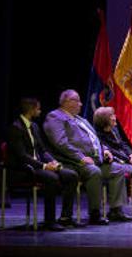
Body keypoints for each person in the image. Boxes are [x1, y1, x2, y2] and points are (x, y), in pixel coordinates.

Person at [43, 90, 132, 224]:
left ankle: (116, 210)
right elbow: (60, 143)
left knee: (118, 169)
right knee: (94, 172)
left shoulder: (81, 120)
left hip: (95, 160)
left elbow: (95, 139)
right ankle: (95, 213)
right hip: (72, 162)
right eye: (78, 101)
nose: (81, 104)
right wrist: (80, 157)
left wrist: (105, 150)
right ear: (67, 102)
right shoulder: (55, 117)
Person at [6, 98, 79, 231]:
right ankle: (49, 221)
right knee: (52, 178)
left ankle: (65, 217)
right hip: (23, 170)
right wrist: (44, 166)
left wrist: (53, 162)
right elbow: (22, 156)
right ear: (32, 110)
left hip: (38, 166)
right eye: (38, 109)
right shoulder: (15, 128)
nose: (40, 111)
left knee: (71, 175)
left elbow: (43, 150)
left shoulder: (34, 126)